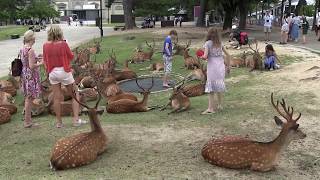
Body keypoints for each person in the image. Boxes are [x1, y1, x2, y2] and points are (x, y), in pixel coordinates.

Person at [43, 25, 86, 128]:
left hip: (52, 73)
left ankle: (59, 123)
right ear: (59, 33)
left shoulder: (45, 45)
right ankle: (76, 120)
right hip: (64, 71)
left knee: (56, 97)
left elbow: (45, 59)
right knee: (75, 94)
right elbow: (71, 56)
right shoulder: (63, 44)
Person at [200, 28, 230, 114]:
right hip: (220, 67)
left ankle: (210, 108)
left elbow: (205, 56)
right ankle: (220, 105)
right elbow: (228, 55)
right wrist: (228, 66)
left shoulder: (207, 43)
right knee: (219, 85)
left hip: (212, 67)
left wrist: (200, 56)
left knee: (211, 89)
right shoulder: (220, 43)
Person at [20, 30, 43, 128]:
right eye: (34, 37)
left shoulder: (23, 49)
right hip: (31, 76)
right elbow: (32, 66)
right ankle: (27, 122)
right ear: (31, 38)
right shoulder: (31, 50)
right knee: (29, 99)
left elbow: (25, 61)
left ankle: (28, 121)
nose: (35, 39)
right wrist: (42, 62)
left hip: (25, 75)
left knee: (28, 98)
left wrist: (36, 58)